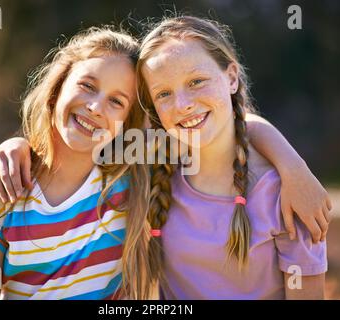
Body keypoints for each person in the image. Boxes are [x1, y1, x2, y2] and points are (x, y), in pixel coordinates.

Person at [138, 15, 327, 299]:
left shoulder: (285, 195)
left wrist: (293, 167)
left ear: (231, 78)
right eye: (163, 93)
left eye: (196, 81)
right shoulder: (153, 180)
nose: (183, 105)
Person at [0, 27, 152, 300]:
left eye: (116, 101)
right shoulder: (0, 191)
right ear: (58, 86)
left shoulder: (133, 190)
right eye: (87, 86)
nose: (95, 107)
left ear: (127, 123)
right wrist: (15, 144)